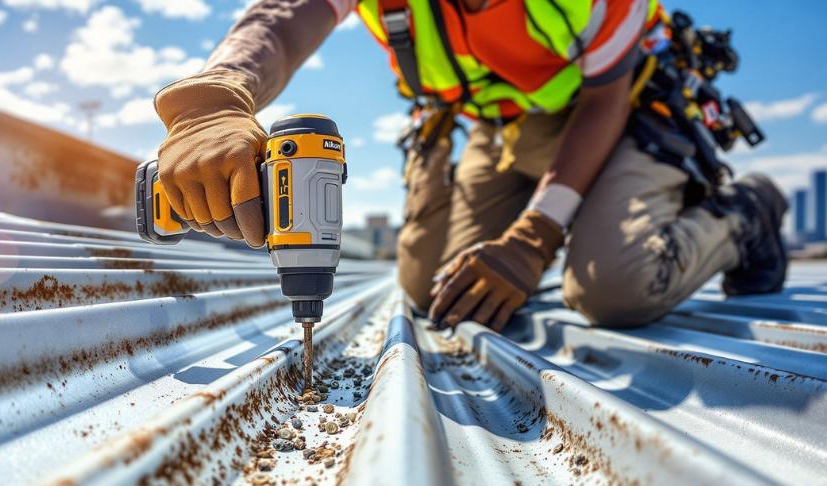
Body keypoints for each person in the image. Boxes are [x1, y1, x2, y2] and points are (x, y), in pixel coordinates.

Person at [152, 0, 786, 331]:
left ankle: (745, 215)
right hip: (504, 127)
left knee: (613, 287)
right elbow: (283, 17)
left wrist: (534, 238)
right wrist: (214, 99)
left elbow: (603, 101)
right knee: (441, 290)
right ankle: (566, 216)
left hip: (620, 115)